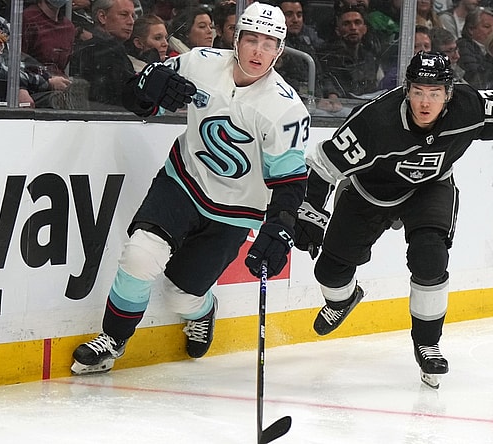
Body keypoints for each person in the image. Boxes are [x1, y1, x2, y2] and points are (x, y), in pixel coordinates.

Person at [71, 2, 310, 375]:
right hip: (183, 181)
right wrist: (145, 88)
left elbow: (291, 181)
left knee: (183, 295)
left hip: (235, 210)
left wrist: (280, 225)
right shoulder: (199, 63)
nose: (258, 51)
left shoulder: (286, 110)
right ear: (236, 39)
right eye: (251, 40)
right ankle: (113, 340)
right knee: (139, 255)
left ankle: (203, 310)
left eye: (269, 43)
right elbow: (139, 101)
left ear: (280, 49)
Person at [293, 51, 493, 389]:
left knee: (430, 258)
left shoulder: (469, 105)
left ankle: (428, 343)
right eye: (419, 91)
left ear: (449, 93)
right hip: (369, 192)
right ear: (407, 89)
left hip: (430, 188)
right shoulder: (375, 122)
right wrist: (312, 211)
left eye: (435, 93)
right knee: (329, 273)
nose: (426, 102)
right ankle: (343, 300)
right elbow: (322, 165)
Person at [69, 0, 137, 107]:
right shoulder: (99, 51)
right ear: (102, 17)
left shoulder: (112, 48)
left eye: (133, 16)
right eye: (124, 15)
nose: (131, 21)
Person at [317, 3, 382, 98]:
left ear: (364, 29)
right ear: (338, 31)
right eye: (346, 24)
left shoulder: (370, 57)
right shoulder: (327, 58)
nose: (353, 28)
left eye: (357, 22)